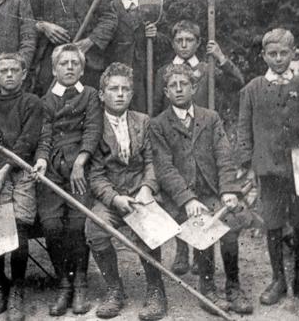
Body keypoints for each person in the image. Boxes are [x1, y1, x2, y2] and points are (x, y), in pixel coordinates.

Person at [237, 28, 299, 306]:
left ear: (294, 54)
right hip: (268, 168)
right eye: (272, 54)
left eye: (283, 54)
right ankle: (278, 279)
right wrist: (245, 164)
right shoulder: (252, 89)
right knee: (274, 223)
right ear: (263, 55)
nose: (278, 59)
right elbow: (244, 130)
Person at [151, 64, 253, 316]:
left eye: (183, 84)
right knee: (203, 226)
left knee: (228, 226)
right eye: (172, 86)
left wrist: (228, 189)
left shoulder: (210, 118)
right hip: (181, 198)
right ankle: (207, 288)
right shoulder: (158, 124)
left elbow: (223, 156)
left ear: (194, 87)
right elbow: (164, 168)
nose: (178, 90)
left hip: (212, 192)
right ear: (165, 91)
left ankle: (233, 285)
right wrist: (187, 199)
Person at [153, 19, 244, 275]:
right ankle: (182, 251)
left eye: (189, 40)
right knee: (181, 195)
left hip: (203, 134)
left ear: (198, 43)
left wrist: (221, 58)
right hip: (174, 138)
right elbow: (157, 106)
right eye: (179, 40)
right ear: (173, 43)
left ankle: (199, 255)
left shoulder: (208, 68)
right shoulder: (164, 71)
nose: (184, 45)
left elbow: (238, 84)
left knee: (203, 193)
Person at [85, 62, 167, 320]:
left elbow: (153, 162)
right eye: (113, 89)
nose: (120, 94)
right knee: (94, 228)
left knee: (149, 228)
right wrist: (114, 198)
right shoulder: (94, 126)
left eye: (125, 89)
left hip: (140, 191)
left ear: (132, 94)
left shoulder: (143, 121)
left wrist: (147, 188)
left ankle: (156, 290)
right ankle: (114, 289)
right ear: (102, 94)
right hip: (112, 196)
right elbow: (95, 174)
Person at [33, 43, 102, 316]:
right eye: (64, 63)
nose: (70, 67)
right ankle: (64, 283)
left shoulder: (91, 96)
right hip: (52, 170)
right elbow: (44, 136)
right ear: (54, 69)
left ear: (82, 68)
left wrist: (80, 162)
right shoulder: (45, 101)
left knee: (77, 225)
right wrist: (40, 160)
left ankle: (81, 283)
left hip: (80, 169)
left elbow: (93, 130)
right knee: (50, 226)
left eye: (75, 63)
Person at [0, 53, 43, 321]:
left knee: (18, 228)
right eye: (3, 71)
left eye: (14, 70)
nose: (9, 75)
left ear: (23, 73)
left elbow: (27, 141)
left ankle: (17, 288)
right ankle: (0, 284)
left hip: (22, 171)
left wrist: (8, 167)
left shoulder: (31, 102)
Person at [105, 0, 158, 112]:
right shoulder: (108, 9)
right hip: (117, 71)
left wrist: (155, 35)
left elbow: (168, 42)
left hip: (145, 73)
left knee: (144, 113)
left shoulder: (152, 7)